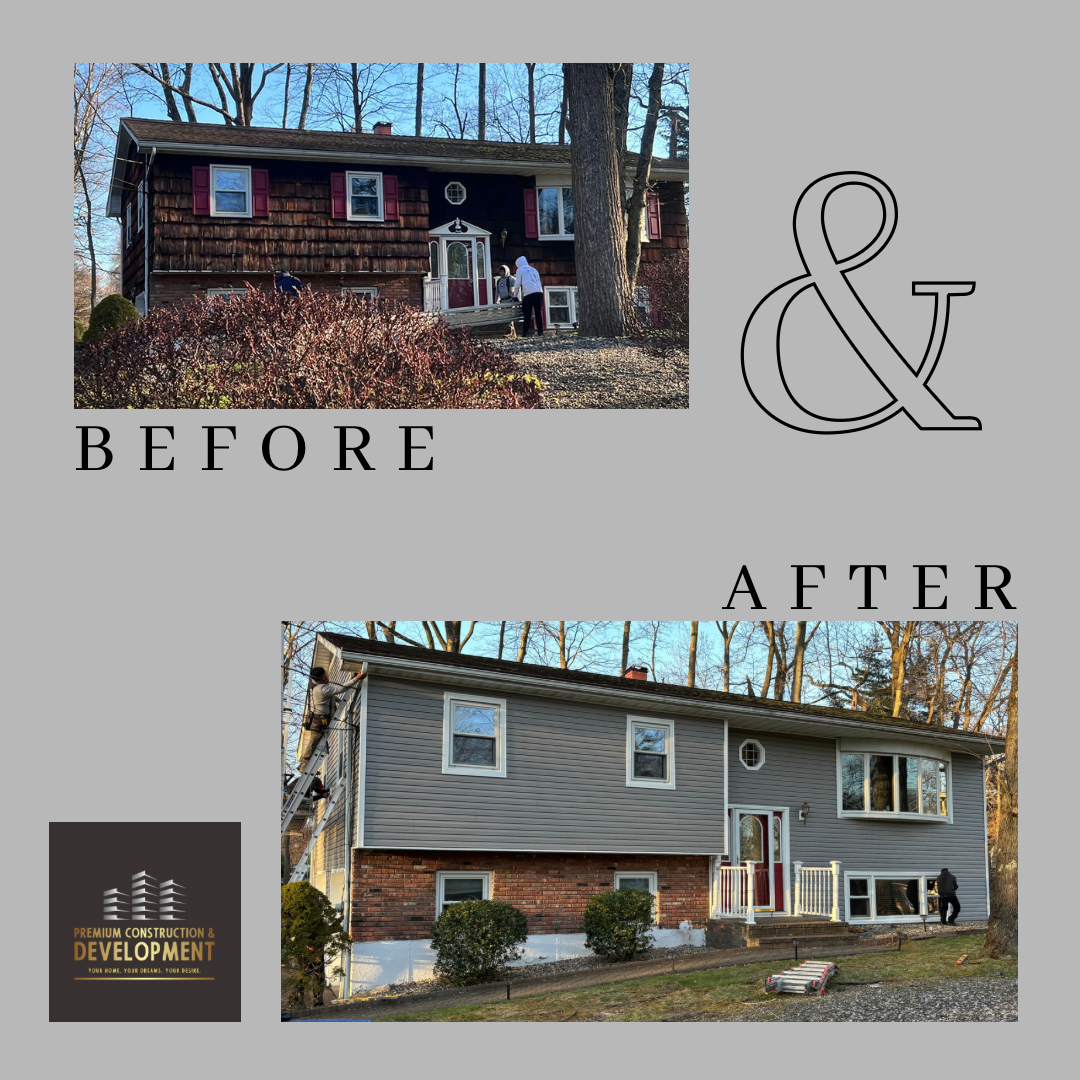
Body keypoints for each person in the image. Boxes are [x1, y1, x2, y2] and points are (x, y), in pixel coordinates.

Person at [298, 668, 364, 769]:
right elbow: (339, 689)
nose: (327, 676)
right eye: (325, 675)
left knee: (315, 741)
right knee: (314, 741)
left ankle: (304, 764)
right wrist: (356, 679)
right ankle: (304, 765)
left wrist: (339, 700)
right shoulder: (322, 688)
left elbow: (330, 696)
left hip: (318, 718)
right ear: (322, 677)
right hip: (320, 720)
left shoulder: (317, 687)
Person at [514, 255, 544, 336]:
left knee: (527, 313)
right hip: (539, 292)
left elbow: (517, 284)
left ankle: (525, 332)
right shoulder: (534, 269)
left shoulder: (520, 270)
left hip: (529, 293)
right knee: (538, 313)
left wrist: (515, 295)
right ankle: (540, 331)